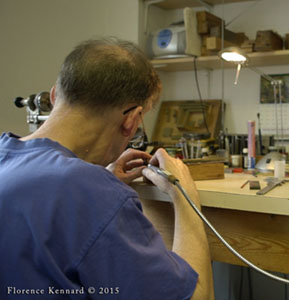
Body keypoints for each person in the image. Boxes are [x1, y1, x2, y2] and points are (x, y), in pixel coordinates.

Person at [0, 38, 214, 299]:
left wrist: (99, 184)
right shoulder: (90, 191)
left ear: (55, 95)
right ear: (131, 120)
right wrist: (186, 198)